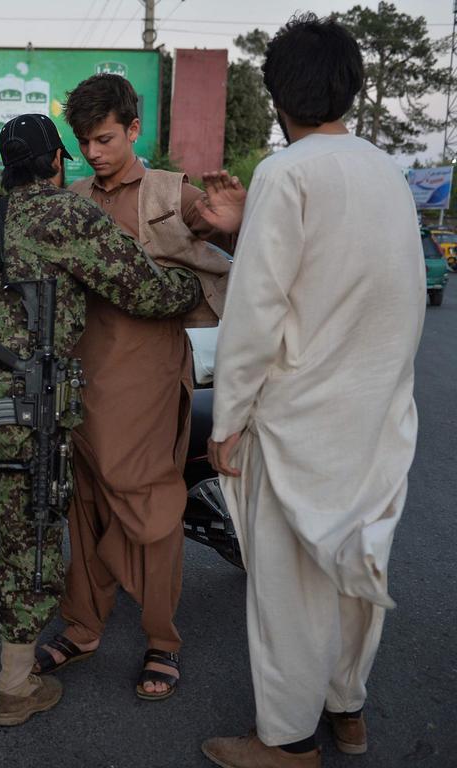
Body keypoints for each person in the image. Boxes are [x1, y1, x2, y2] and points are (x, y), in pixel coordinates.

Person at [0, 114, 202, 742]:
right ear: (57, 163)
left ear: (6, 164)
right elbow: (143, 291)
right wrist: (194, 282)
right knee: (30, 537)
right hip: (24, 408)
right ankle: (14, 687)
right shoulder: (68, 216)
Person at [201, 15, 424, 768]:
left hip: (299, 419)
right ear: (351, 89)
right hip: (377, 415)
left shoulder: (286, 173)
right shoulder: (385, 173)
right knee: (358, 570)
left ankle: (288, 742)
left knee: (288, 587)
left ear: (276, 98)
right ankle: (347, 712)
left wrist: (227, 419)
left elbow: (258, 311)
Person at [33, 73, 240, 700]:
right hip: (77, 377)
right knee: (87, 501)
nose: (94, 153)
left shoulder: (170, 194)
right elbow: (14, 227)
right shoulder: (70, 198)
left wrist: (234, 223)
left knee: (148, 503)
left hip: (147, 375)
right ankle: (83, 625)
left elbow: (233, 238)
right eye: (84, 142)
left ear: (132, 129)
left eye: (104, 139)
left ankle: (162, 639)